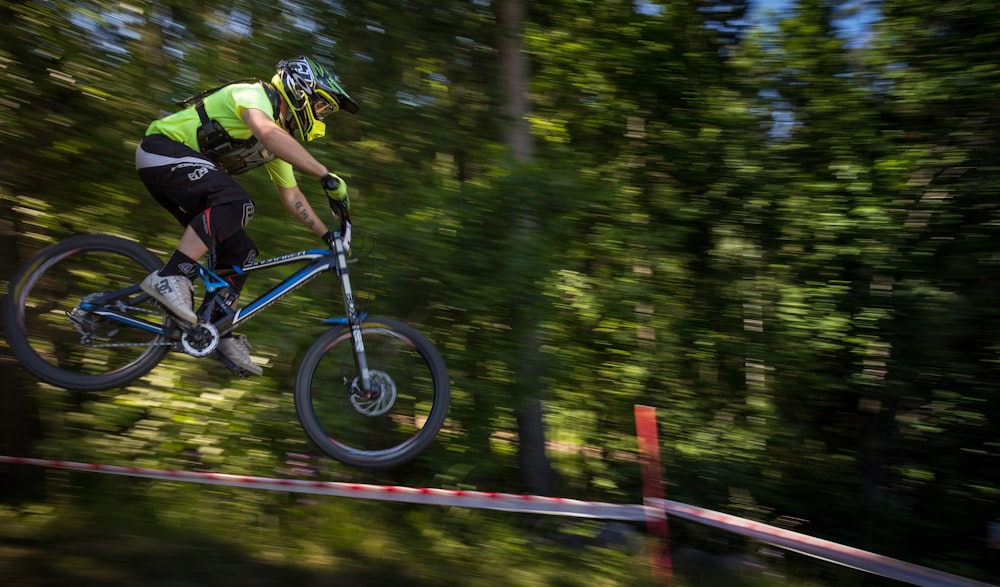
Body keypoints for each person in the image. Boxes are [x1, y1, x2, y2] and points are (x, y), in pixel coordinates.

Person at [135, 55, 358, 376]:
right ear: (301, 89)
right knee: (237, 203)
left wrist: (328, 235)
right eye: (321, 106)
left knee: (241, 253)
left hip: (180, 172)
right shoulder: (254, 94)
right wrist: (325, 174)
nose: (321, 115)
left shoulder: (277, 139)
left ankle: (214, 330)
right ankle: (172, 276)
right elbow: (267, 132)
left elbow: (292, 195)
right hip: (160, 151)